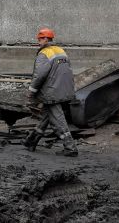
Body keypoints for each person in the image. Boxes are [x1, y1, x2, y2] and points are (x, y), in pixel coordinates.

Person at [23, 27, 78, 157]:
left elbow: (39, 75)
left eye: (40, 39)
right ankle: (31, 141)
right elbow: (67, 70)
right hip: (64, 89)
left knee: (57, 119)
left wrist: (31, 92)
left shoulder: (44, 54)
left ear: (47, 39)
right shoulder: (61, 51)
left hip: (51, 91)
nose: (38, 42)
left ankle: (70, 147)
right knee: (48, 116)